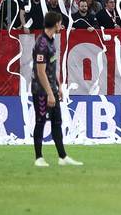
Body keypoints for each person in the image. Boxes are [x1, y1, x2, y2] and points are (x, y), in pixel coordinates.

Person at [31, 11, 83, 167]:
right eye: (60, 23)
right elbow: (40, 72)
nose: (62, 26)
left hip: (51, 89)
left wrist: (59, 86)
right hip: (41, 91)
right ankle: (38, 158)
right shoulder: (41, 44)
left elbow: (51, 68)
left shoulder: (51, 41)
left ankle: (62, 156)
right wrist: (49, 93)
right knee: (40, 121)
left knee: (57, 122)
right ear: (55, 24)